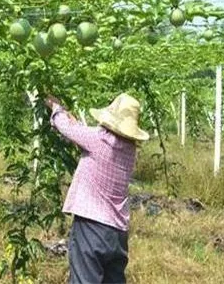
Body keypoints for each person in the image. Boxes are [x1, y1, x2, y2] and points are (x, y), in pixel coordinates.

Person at [45, 93, 149, 284]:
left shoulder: (98, 139)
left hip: (91, 227)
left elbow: (66, 127)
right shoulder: (130, 150)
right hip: (118, 233)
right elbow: (91, 144)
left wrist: (56, 107)